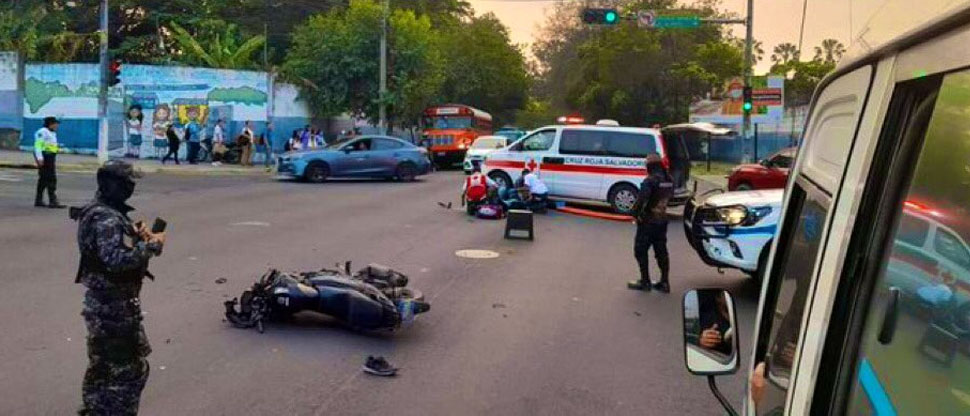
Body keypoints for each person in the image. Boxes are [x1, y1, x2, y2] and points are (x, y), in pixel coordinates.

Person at [73, 160, 165, 415]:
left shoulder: (102, 210)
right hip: (113, 308)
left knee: (102, 367)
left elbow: (108, 252)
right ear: (112, 184)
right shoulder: (106, 218)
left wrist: (136, 236)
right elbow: (114, 261)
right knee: (127, 371)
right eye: (127, 183)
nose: (131, 187)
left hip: (104, 304)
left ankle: (95, 410)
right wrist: (152, 246)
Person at [628, 153, 674, 293]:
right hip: (662, 221)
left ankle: (645, 282)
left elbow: (642, 200)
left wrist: (634, 214)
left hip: (648, 222)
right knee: (661, 252)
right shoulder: (669, 179)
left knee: (640, 251)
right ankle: (664, 282)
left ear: (650, 166)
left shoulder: (650, 181)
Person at [34, 116, 64, 208]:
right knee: (51, 178)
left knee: (43, 179)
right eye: (55, 124)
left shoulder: (52, 133)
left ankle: (39, 200)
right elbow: (38, 145)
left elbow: (50, 145)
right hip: (45, 157)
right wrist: (39, 158)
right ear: (50, 124)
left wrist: (57, 149)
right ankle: (53, 200)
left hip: (50, 156)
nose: (56, 126)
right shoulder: (42, 132)